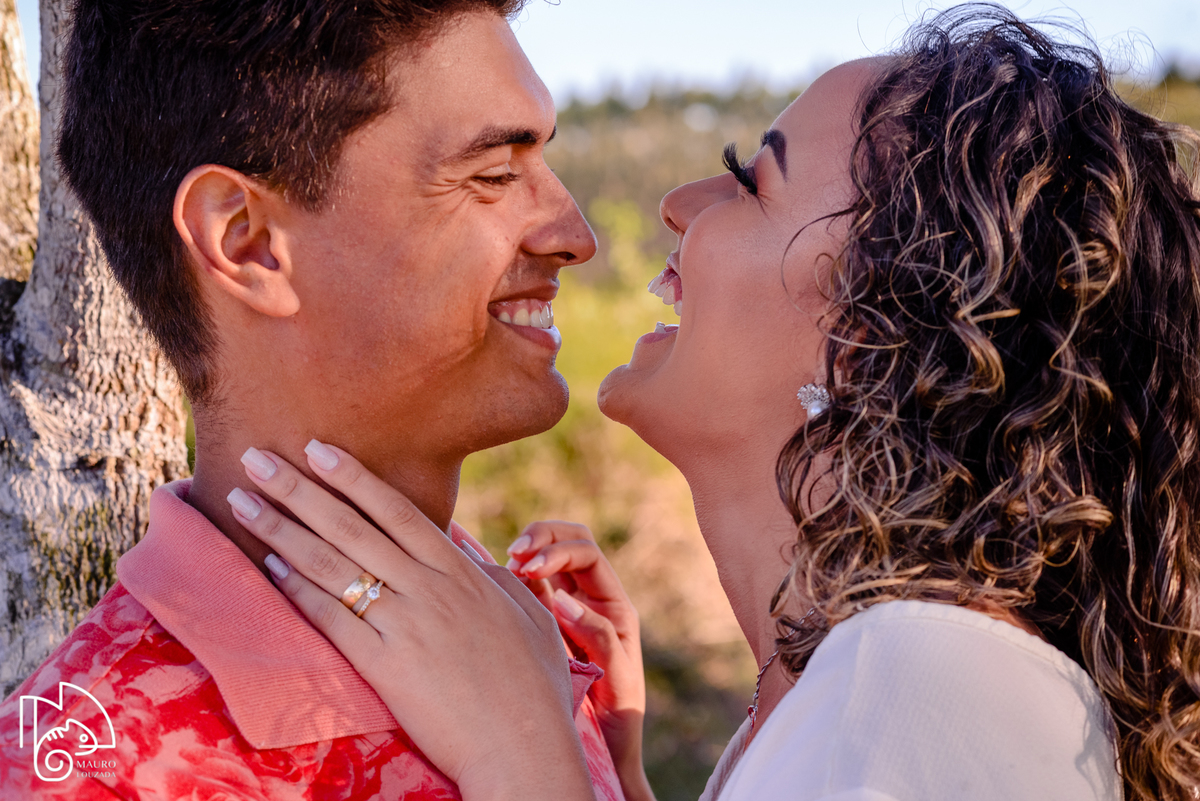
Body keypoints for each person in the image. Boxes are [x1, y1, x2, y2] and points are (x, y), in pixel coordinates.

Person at [229, 7, 1200, 801]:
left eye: (750, 180)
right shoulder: (879, 693)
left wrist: (523, 750)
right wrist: (618, 773)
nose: (681, 204)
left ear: (870, 331)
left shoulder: (927, 686)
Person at [0, 2, 627, 800]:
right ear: (247, 243)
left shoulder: (503, 628)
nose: (574, 232)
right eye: (494, 176)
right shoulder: (93, 773)